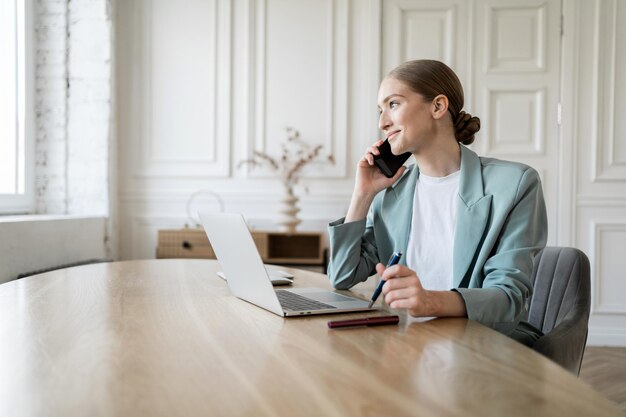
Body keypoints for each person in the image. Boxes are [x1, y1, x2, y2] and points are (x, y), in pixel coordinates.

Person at [327, 59, 547, 346]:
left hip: (481, 348)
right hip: (411, 344)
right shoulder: (390, 196)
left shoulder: (514, 184)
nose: (382, 122)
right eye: (380, 110)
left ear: (438, 107)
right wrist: (363, 194)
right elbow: (342, 276)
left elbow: (508, 299)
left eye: (393, 104)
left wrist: (431, 302)